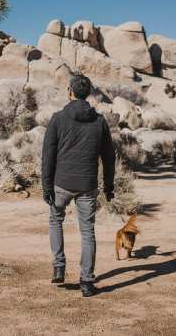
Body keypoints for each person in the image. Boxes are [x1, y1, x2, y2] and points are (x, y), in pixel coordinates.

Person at [42, 74, 115, 297]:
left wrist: (46, 186)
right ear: (88, 94)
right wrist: (109, 187)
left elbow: (48, 156)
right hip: (87, 184)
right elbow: (109, 158)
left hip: (61, 182)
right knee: (87, 231)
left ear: (70, 92)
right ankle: (86, 281)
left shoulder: (58, 118)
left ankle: (59, 266)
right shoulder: (100, 121)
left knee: (56, 220)